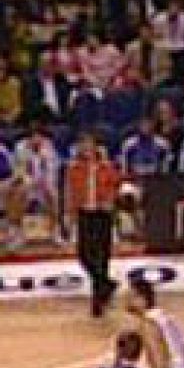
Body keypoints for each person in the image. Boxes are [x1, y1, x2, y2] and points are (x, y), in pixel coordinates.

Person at [65, 131, 121, 318]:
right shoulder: (74, 168)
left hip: (102, 214)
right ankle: (106, 284)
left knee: (102, 258)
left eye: (89, 144)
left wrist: (110, 202)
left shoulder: (107, 166)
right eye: (83, 145)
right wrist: (70, 215)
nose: (86, 148)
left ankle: (98, 302)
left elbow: (115, 186)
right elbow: (71, 193)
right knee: (84, 254)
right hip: (85, 214)